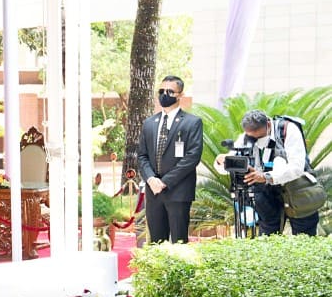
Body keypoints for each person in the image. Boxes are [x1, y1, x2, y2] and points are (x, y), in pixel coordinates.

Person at [215, 110, 320, 236]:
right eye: (251, 137)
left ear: (268, 125)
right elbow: (233, 161)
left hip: (296, 190)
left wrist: (266, 176)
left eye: (258, 137)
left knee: (304, 236)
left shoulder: (287, 129)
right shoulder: (248, 136)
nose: (255, 141)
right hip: (266, 194)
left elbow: (296, 168)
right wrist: (222, 161)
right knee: (267, 235)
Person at [137, 75, 203, 243]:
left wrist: (165, 181)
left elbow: (192, 157)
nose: (164, 95)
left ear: (180, 95)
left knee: (179, 242)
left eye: (170, 91)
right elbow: (142, 156)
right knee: (157, 243)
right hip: (153, 192)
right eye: (161, 91)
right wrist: (151, 179)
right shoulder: (150, 123)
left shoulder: (192, 122)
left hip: (178, 191)